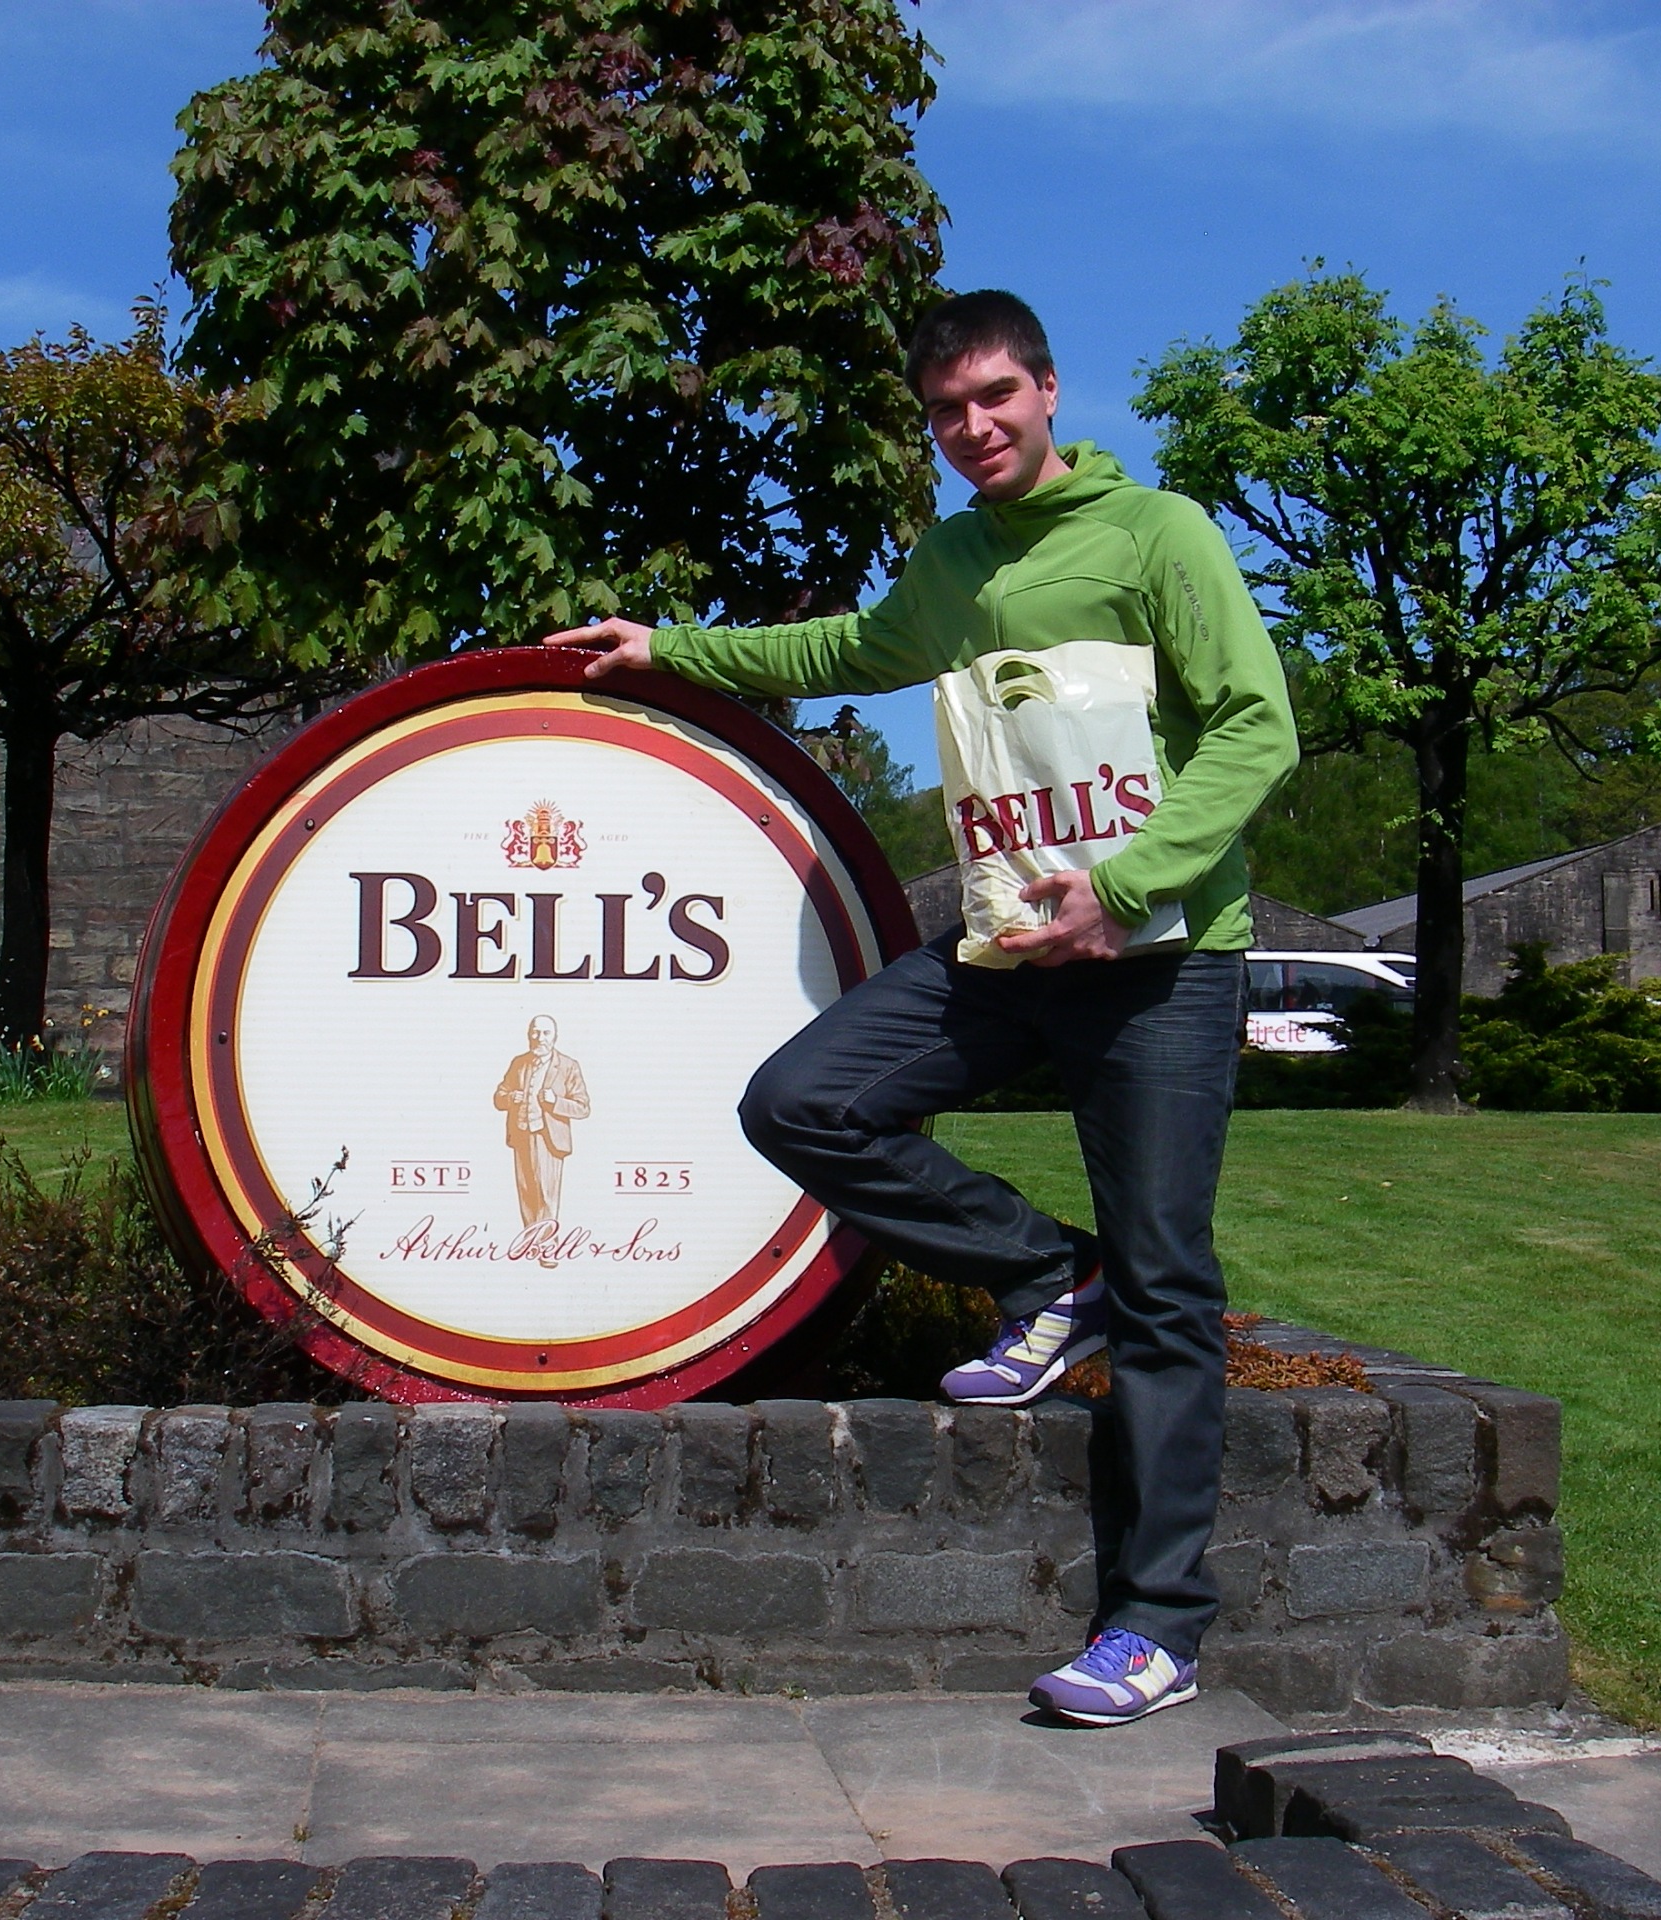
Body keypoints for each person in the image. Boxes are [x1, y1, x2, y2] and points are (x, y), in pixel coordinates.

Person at [548, 290, 1297, 1727]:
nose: (974, 427)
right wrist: (672, 650)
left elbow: (1259, 727)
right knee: (803, 1100)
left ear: (1050, 390)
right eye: (947, 411)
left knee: (1167, 1286)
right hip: (1011, 948)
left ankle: (1157, 1628)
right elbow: (841, 651)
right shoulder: (951, 561)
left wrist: (1125, 882)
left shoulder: (1160, 536)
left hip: (1160, 959)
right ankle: (1050, 1275)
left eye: (996, 396)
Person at [492, 1014, 591, 1245]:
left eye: (546, 1033)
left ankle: (547, 1247)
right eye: (535, 1032)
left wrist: (556, 1102)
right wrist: (510, 1098)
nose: (540, 1038)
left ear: (555, 1036)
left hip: (549, 1140)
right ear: (529, 1034)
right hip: (521, 1135)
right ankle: (531, 1243)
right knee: (526, 1192)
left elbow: (583, 1108)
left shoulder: (568, 1066)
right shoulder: (518, 1063)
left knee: (547, 1195)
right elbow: (499, 1097)